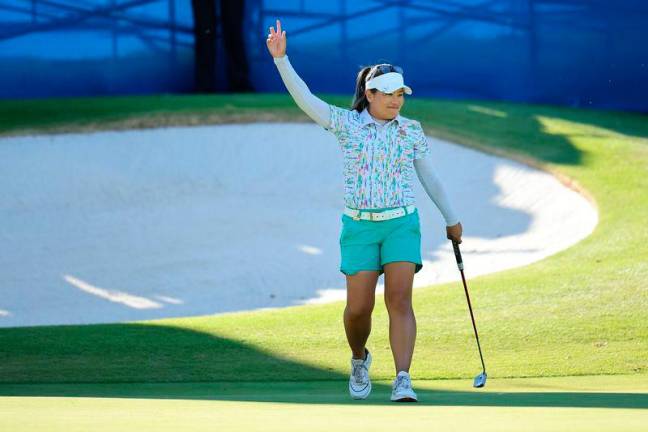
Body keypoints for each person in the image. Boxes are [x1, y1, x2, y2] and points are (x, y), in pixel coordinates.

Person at [266, 19, 463, 402]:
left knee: (400, 300)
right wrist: (281, 60)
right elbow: (306, 99)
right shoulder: (346, 125)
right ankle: (359, 358)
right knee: (358, 308)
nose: (396, 101)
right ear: (369, 93)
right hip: (359, 227)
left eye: (400, 94)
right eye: (388, 94)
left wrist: (451, 219)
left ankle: (403, 378)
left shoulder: (411, 130)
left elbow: (431, 178)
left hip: (402, 224)